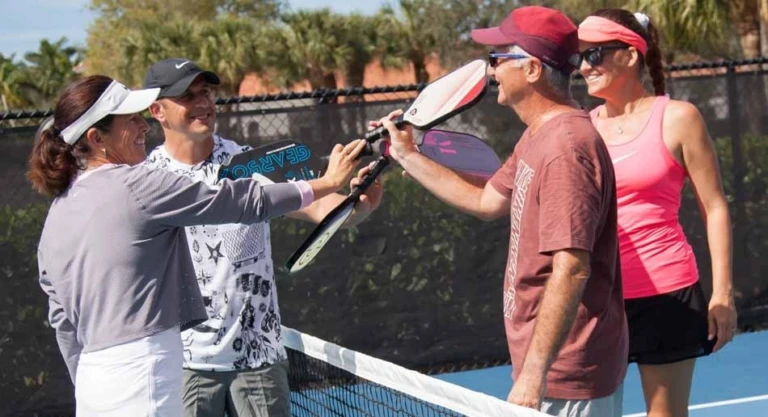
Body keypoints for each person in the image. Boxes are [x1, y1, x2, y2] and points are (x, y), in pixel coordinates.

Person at [26, 74, 367, 416]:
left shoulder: (58, 215)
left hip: (92, 383)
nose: (143, 126)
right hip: (145, 374)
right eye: (130, 120)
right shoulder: (138, 184)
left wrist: (89, 380)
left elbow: (63, 323)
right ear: (97, 138)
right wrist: (327, 182)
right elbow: (241, 202)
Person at [372, 6, 627, 417]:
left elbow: (571, 268)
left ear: (531, 70)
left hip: (566, 374)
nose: (489, 70)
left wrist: (534, 375)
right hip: (547, 368)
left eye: (497, 59)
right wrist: (407, 154)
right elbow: (486, 201)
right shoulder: (539, 136)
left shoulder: (566, 148)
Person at [141, 58, 384, 417]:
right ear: (157, 110)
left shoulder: (247, 163)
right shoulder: (146, 179)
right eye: (188, 96)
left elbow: (318, 208)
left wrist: (359, 205)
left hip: (258, 361)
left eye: (205, 93)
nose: (203, 104)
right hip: (183, 363)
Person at [577, 9, 737, 416]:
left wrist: (722, 294)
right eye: (580, 55)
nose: (582, 66)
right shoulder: (582, 128)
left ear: (630, 55)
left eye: (594, 54)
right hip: (600, 299)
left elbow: (714, 207)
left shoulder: (680, 118)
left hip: (668, 294)